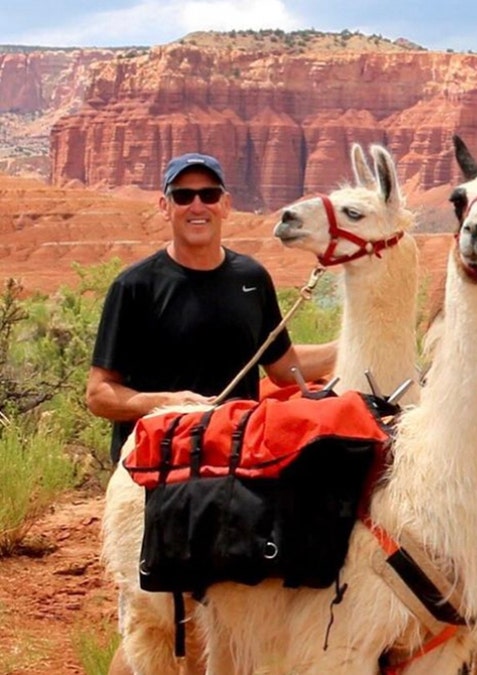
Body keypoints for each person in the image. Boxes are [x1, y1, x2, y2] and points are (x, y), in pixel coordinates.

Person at [86, 152, 336, 675]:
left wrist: (355, 342)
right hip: (154, 479)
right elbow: (100, 394)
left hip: (236, 476)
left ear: (226, 204)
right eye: (183, 196)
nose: (195, 206)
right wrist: (165, 402)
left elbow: (284, 367)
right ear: (164, 205)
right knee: (154, 624)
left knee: (228, 619)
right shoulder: (136, 286)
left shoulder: (251, 277)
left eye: (207, 195)